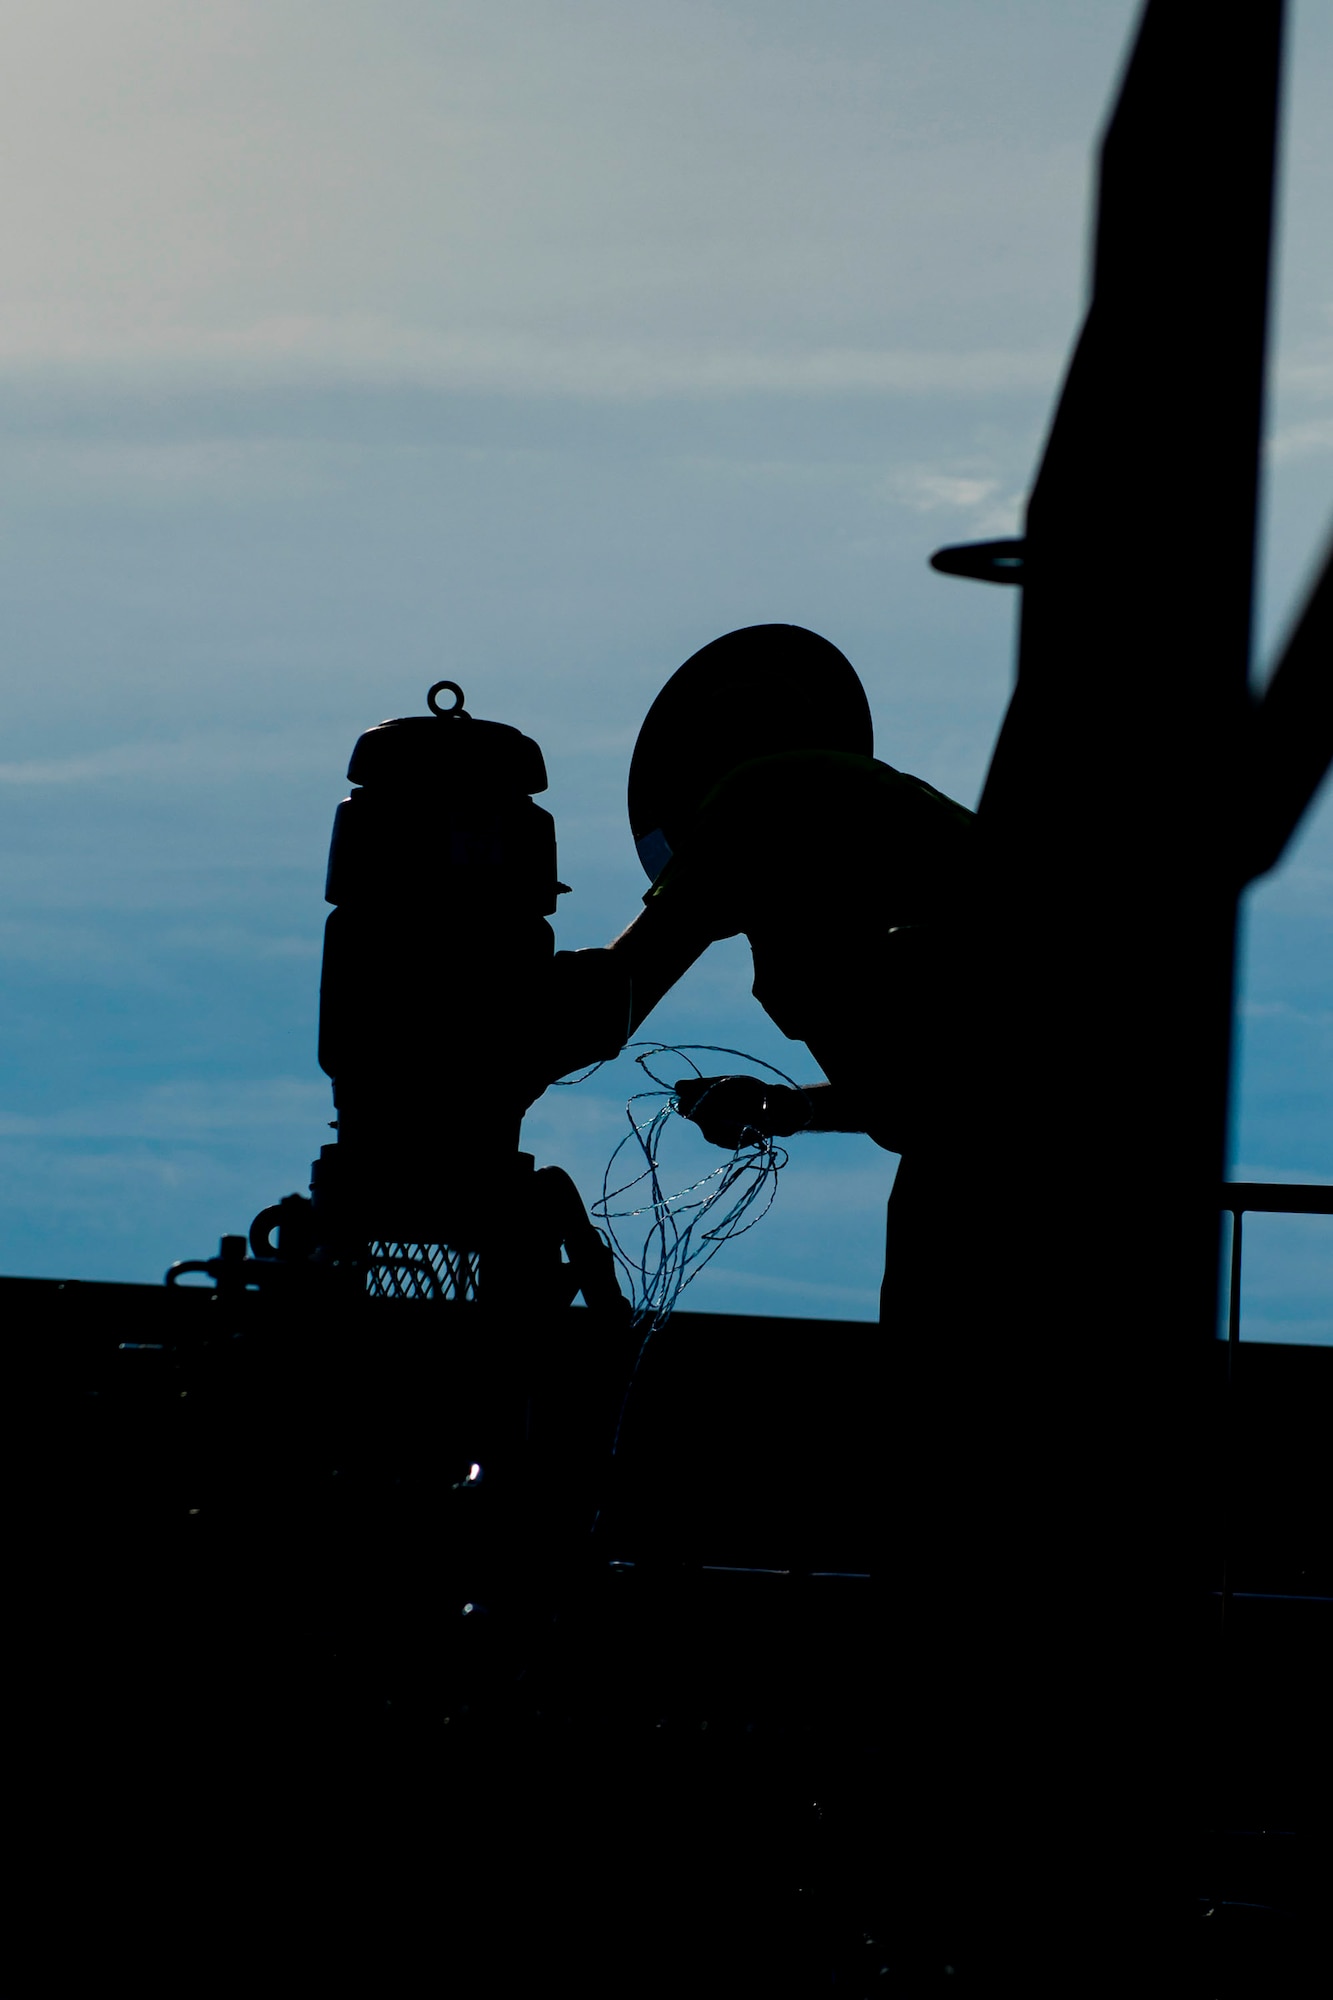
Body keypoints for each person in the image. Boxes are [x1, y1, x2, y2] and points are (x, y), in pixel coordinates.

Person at [592, 624, 978, 1196]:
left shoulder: (760, 795)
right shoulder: (887, 813)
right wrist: (787, 1107)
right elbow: (924, 1083)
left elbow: (617, 990)